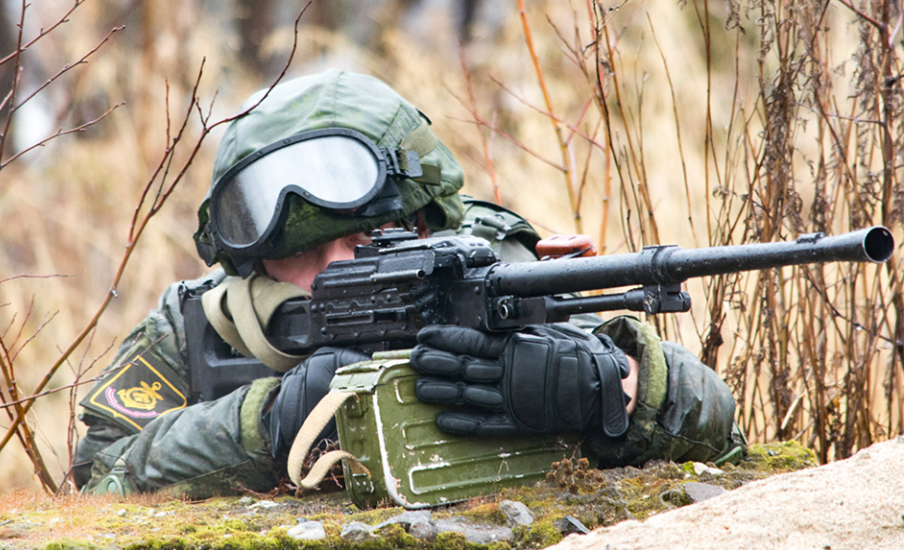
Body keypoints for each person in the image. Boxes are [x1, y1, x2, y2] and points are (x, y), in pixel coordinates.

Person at [73, 69, 744, 498]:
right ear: (250, 259)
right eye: (301, 248)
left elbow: (719, 429)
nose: (336, 267)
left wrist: (612, 385)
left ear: (425, 223)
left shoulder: (490, 276)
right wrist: (265, 424)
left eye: (370, 239)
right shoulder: (197, 329)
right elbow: (99, 478)